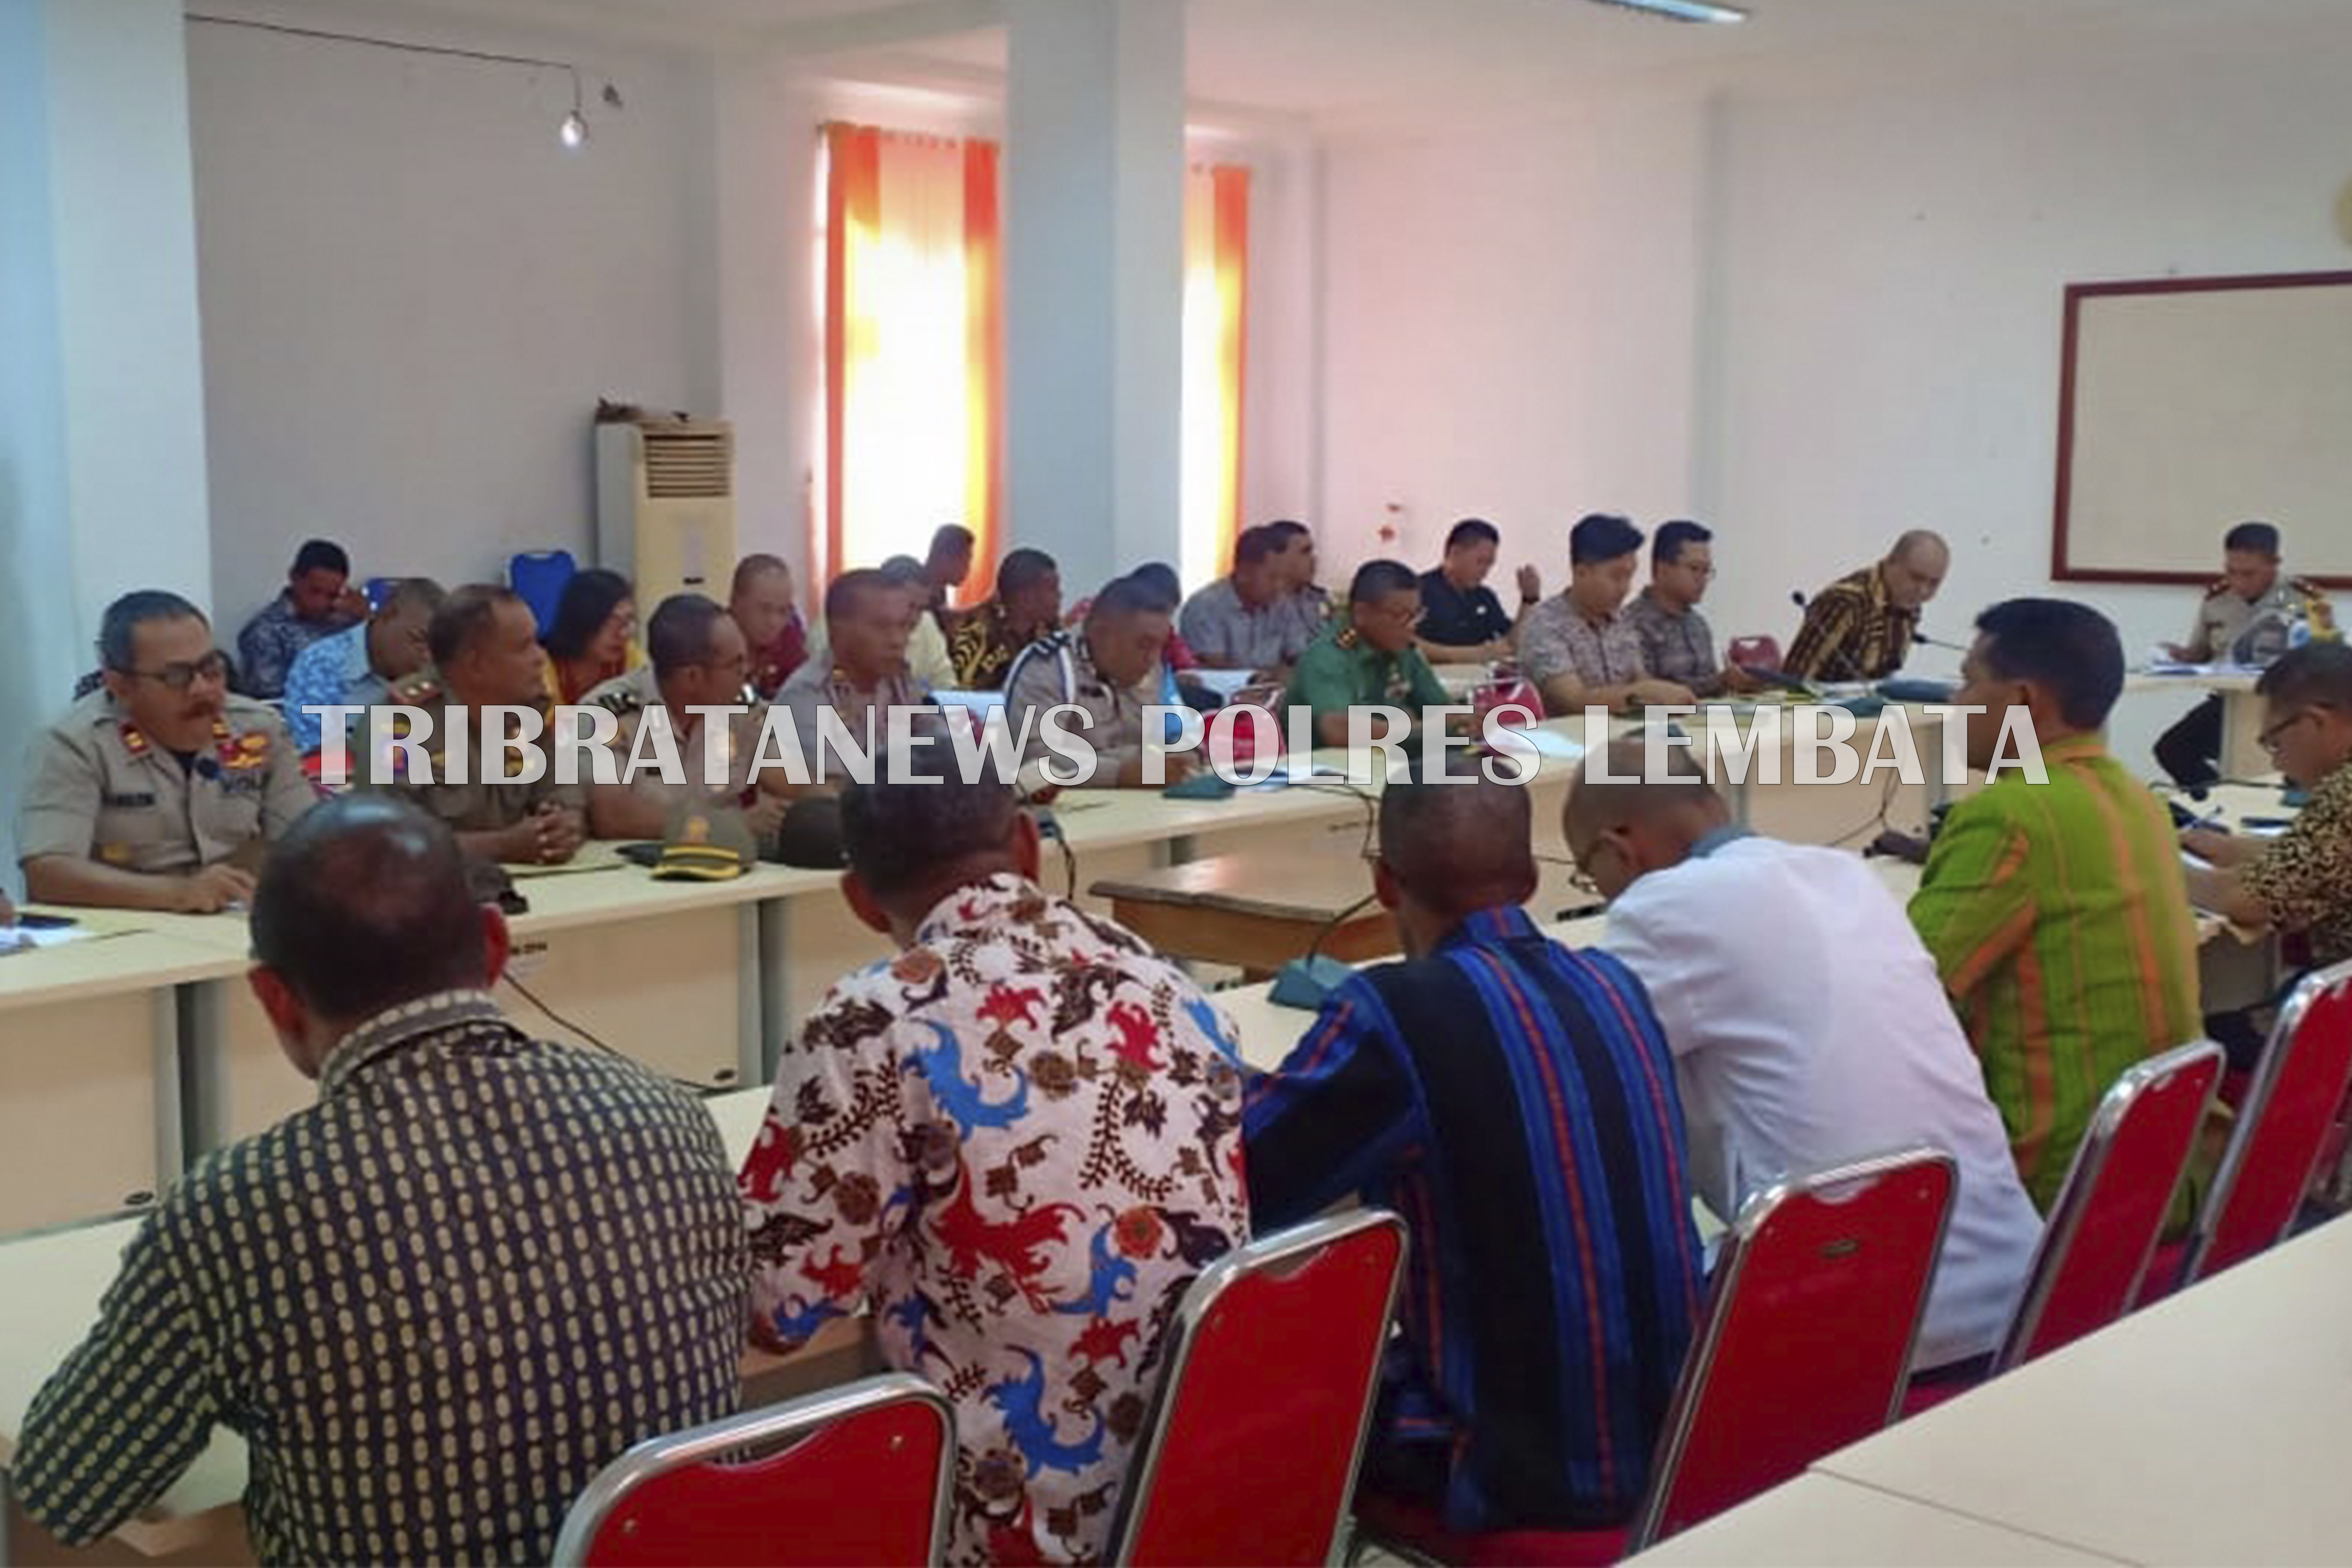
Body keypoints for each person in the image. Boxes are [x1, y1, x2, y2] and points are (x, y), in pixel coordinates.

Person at [11, 796, 745, 1563]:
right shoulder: (671, 1118)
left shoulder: (243, 1210)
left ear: (273, 997)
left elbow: (67, 1487)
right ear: (495, 947)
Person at [739, 770, 1247, 1563]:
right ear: (1026, 845)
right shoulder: (1164, 978)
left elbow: (781, 1306)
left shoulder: (870, 1021)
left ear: (860, 900)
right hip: (1204, 1484)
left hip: (1014, 1524)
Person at [1245, 771, 1703, 1535]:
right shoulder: (1616, 982)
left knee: (1243, 1384)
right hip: (1682, 1438)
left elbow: (1251, 1182)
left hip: (1517, 1469)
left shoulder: (1393, 1010)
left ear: (1385, 883)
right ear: (1528, 878)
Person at [1567, 738, 2042, 1374]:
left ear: (1618, 847)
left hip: (1875, 1321)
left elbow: (1587, 1076)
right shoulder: (1848, 875)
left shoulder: (1661, 910)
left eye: (1586, 872)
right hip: (2018, 1289)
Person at [1909, 599, 2201, 1209]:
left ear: (2022, 702)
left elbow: (1905, 998)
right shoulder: (2139, 799)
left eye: (1967, 683)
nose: (1955, 703)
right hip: (2164, 1163)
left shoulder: (2010, 816)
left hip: (2053, 1185)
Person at [19, 592, 315, 912]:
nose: (201, 689)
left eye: (210, 668)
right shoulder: (73, 743)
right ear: (120, 685)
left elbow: (311, 841)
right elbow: (48, 873)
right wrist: (176, 894)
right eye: (176, 677)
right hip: (129, 936)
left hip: (239, 925)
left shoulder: (259, 729)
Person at [368, 585, 588, 866]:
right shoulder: (402, 721)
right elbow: (394, 846)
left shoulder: (526, 711)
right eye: (524, 647)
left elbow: (565, 795)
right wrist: (503, 846)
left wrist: (563, 827)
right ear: (475, 664)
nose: (541, 658)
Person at [2180, 642, 2352, 976]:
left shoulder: (2344, 794)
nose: (2276, 761)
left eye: (2275, 743)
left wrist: (2154, 867)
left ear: (2316, 722)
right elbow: (2320, 857)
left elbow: (2247, 901)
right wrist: (2232, 849)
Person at [583, 594, 794, 842]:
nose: (746, 672)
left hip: (724, 867)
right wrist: (727, 825)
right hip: (633, 872)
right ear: (693, 677)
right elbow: (614, 818)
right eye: (735, 664)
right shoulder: (604, 715)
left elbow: (791, 780)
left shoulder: (742, 707)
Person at [2154, 521, 2330, 789]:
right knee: (2172, 749)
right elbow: (2202, 653)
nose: (2238, 582)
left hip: (2287, 706)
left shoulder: (2306, 599)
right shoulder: (2217, 600)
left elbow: (2330, 660)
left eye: (2249, 574)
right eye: (2231, 571)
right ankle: (2217, 799)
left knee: (2293, 767)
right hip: (2230, 703)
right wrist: (2182, 657)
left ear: (2274, 564)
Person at [1005, 575, 1195, 786]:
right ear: (1099, 632)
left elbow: (1169, 738)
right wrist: (1119, 774)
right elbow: (1032, 760)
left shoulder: (1150, 667)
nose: (1152, 659)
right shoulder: (1047, 666)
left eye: (1160, 646)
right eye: (1143, 644)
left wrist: (1183, 758)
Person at [1519, 513, 1697, 714]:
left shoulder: (1621, 620)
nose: (1625, 588)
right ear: (1581, 572)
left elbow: (1639, 678)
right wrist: (1638, 694)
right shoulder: (1545, 624)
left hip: (1622, 736)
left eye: (1630, 577)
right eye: (1617, 577)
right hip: (1568, 740)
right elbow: (1575, 701)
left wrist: (1665, 694)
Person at [774, 569, 929, 786]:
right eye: (882, 627)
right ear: (837, 631)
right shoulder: (807, 695)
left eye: (904, 626)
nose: (898, 640)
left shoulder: (898, 682)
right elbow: (842, 793)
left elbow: (933, 752)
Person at [1286, 559, 1452, 747]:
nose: (1412, 627)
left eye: (1416, 615)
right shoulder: (1328, 656)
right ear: (1362, 613)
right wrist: (1423, 729)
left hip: (1386, 759)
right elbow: (1339, 731)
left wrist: (1470, 721)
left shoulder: (1403, 650)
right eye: (1401, 616)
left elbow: (1441, 709)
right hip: (1325, 769)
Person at [279, 577, 446, 753]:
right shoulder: (321, 667)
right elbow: (322, 766)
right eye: (419, 640)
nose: (428, 658)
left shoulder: (438, 673)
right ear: (387, 615)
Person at [1784, 529, 1950, 683]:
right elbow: (1795, 679)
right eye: (1916, 578)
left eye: (1934, 583)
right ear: (1891, 562)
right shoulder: (1846, 601)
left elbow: (1885, 674)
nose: (1923, 591)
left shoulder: (1907, 600)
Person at [1624, 519, 1759, 698]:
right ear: (1662, 569)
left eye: (1707, 571)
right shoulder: (1633, 623)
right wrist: (1721, 681)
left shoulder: (1699, 625)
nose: (1702, 579)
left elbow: (1714, 693)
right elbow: (1648, 694)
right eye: (1695, 569)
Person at [235, 539, 368, 700]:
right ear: (294, 577)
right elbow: (272, 700)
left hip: (353, 713)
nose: (321, 603)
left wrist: (366, 620)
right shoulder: (265, 631)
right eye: (314, 591)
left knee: (400, 717)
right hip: (298, 720)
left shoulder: (346, 625)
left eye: (331, 595)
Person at [1180, 525, 1318, 672]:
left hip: (1274, 692)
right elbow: (1214, 669)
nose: (1279, 587)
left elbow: (1302, 658)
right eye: (1272, 578)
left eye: (1282, 578)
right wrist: (1271, 674)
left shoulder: (1281, 604)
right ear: (1243, 574)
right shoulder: (1206, 606)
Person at [1416, 517, 1540, 661]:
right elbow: (1407, 644)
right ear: (1455, 553)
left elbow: (1511, 645)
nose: (1485, 571)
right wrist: (1472, 654)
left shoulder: (1485, 597)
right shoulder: (1418, 591)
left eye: (1490, 564)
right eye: (1480, 562)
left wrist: (1529, 600)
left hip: (1480, 679)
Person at [947, 548, 1063, 690]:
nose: (1060, 595)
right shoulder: (978, 634)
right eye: (1052, 589)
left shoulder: (1049, 634)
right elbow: (961, 696)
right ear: (1026, 596)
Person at [540, 568, 640, 706]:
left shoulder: (630, 657)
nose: (624, 634)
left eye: (628, 621)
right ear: (582, 620)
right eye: (612, 622)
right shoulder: (543, 665)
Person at [728, 552, 808, 700]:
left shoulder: (789, 638)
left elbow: (803, 694)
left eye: (783, 611)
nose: (774, 622)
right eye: (764, 609)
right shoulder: (714, 644)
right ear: (735, 603)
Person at [1263, 518, 1332, 627]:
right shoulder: (1262, 603)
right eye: (1305, 552)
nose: (1313, 559)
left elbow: (1337, 639)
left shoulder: (1318, 600)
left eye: (1312, 552)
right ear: (1278, 558)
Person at [924, 522, 976, 614]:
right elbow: (945, 622)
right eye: (966, 561)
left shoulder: (939, 590)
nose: (968, 569)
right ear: (946, 557)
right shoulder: (919, 592)